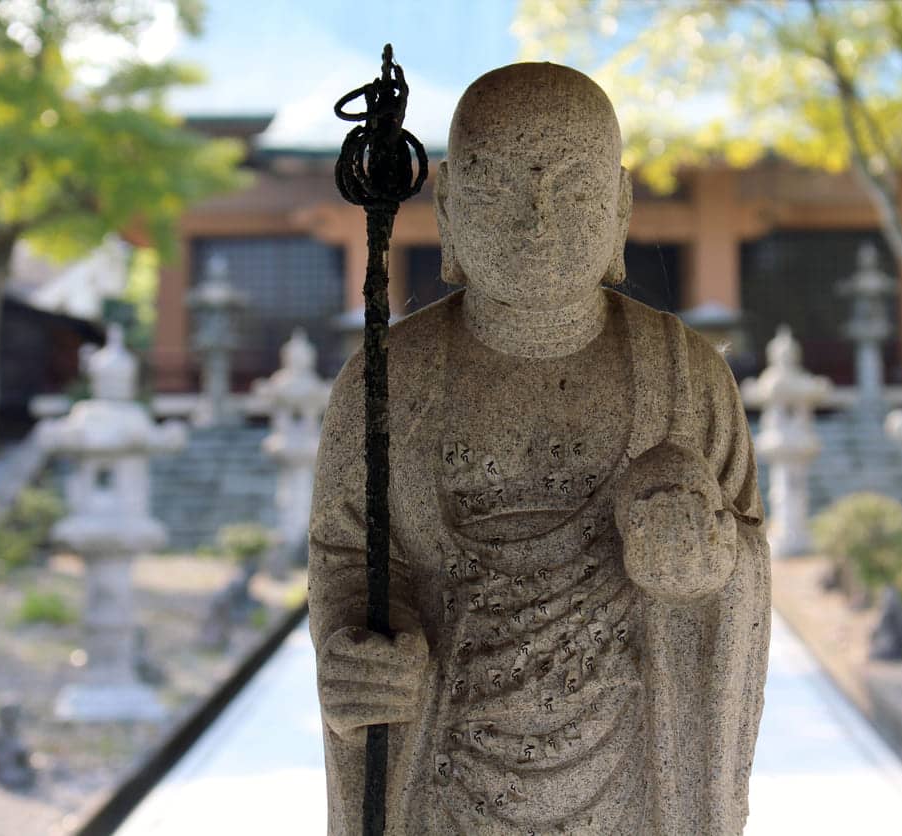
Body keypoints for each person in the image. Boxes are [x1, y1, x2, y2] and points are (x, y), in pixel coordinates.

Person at [308, 62, 771, 835]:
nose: (540, 220)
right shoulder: (388, 378)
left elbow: (745, 558)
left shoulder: (685, 377)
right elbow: (346, 553)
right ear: (449, 211)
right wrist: (357, 655)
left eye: (576, 188)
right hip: (445, 764)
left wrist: (704, 568)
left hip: (632, 766)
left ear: (620, 209)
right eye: (500, 191)